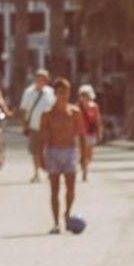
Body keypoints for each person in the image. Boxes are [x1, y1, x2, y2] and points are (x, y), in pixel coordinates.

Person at [37, 78, 83, 233]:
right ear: (55, 94)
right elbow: (42, 136)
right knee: (54, 190)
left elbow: (81, 135)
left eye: (67, 92)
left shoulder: (74, 112)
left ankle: (67, 214)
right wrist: (40, 156)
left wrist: (82, 155)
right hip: (53, 152)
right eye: (61, 92)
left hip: (70, 152)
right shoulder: (47, 114)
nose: (65, 95)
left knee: (70, 188)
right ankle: (56, 222)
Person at [19, 69, 54, 182]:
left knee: (48, 150)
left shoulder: (51, 92)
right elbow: (24, 109)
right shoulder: (28, 92)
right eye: (38, 78)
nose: (40, 81)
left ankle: (49, 171)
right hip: (34, 126)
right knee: (35, 151)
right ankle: (36, 173)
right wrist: (24, 124)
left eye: (43, 79)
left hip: (49, 127)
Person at [76, 84, 102, 181]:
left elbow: (97, 120)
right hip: (79, 134)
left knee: (90, 154)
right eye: (82, 95)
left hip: (90, 133)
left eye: (86, 95)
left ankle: (85, 166)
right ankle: (84, 171)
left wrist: (99, 132)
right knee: (82, 153)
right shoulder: (77, 107)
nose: (84, 97)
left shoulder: (94, 106)